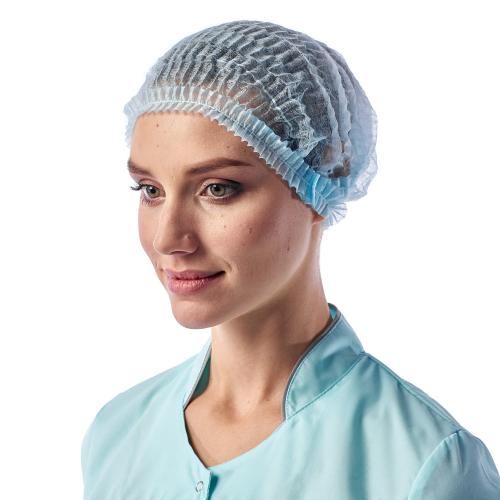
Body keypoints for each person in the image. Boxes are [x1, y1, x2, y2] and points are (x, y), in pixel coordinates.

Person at [80, 20, 500, 499]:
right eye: (150, 190)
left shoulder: (424, 465)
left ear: (323, 176)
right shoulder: (117, 435)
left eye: (217, 189)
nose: (168, 238)